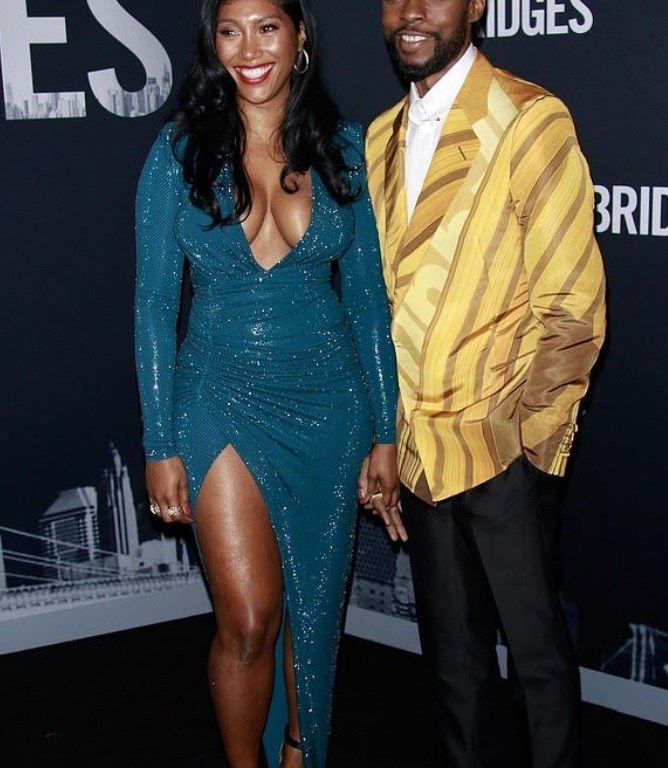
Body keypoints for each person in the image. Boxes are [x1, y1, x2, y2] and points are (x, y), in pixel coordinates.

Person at [133, 1, 399, 767]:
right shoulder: (178, 152)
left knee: (311, 618)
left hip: (330, 406)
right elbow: (154, 305)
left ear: (300, 35)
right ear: (212, 43)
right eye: (230, 31)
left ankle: (297, 750)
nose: (248, 49)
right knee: (249, 619)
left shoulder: (344, 148)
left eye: (267, 27)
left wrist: (386, 429)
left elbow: (368, 302)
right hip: (216, 399)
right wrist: (158, 442)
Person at [363, 1, 606, 766]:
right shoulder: (378, 137)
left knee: (538, 670)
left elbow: (572, 308)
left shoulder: (529, 119)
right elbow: (381, 309)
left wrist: (530, 448)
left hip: (505, 453)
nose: (410, 12)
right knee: (454, 671)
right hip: (419, 457)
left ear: (475, 5)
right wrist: (387, 438)